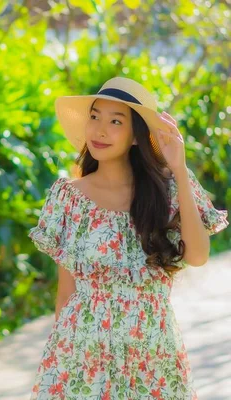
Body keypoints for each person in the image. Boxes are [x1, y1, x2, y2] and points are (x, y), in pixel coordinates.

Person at [27, 77, 229, 399]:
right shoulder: (68, 197)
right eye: (95, 117)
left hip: (153, 355)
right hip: (84, 355)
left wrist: (178, 167)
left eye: (115, 121)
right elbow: (66, 294)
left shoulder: (169, 189)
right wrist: (60, 365)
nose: (100, 130)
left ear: (137, 136)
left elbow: (198, 256)